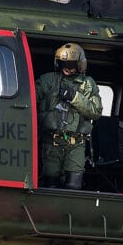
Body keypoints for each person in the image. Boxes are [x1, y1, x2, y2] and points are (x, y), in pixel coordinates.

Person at [35, 42, 101, 189]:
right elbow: (31, 100)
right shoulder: (48, 81)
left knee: (73, 186)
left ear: (80, 64)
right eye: (64, 62)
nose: (68, 67)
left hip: (76, 144)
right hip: (51, 143)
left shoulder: (87, 84)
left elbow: (96, 112)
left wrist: (74, 97)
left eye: (72, 63)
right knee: (49, 184)